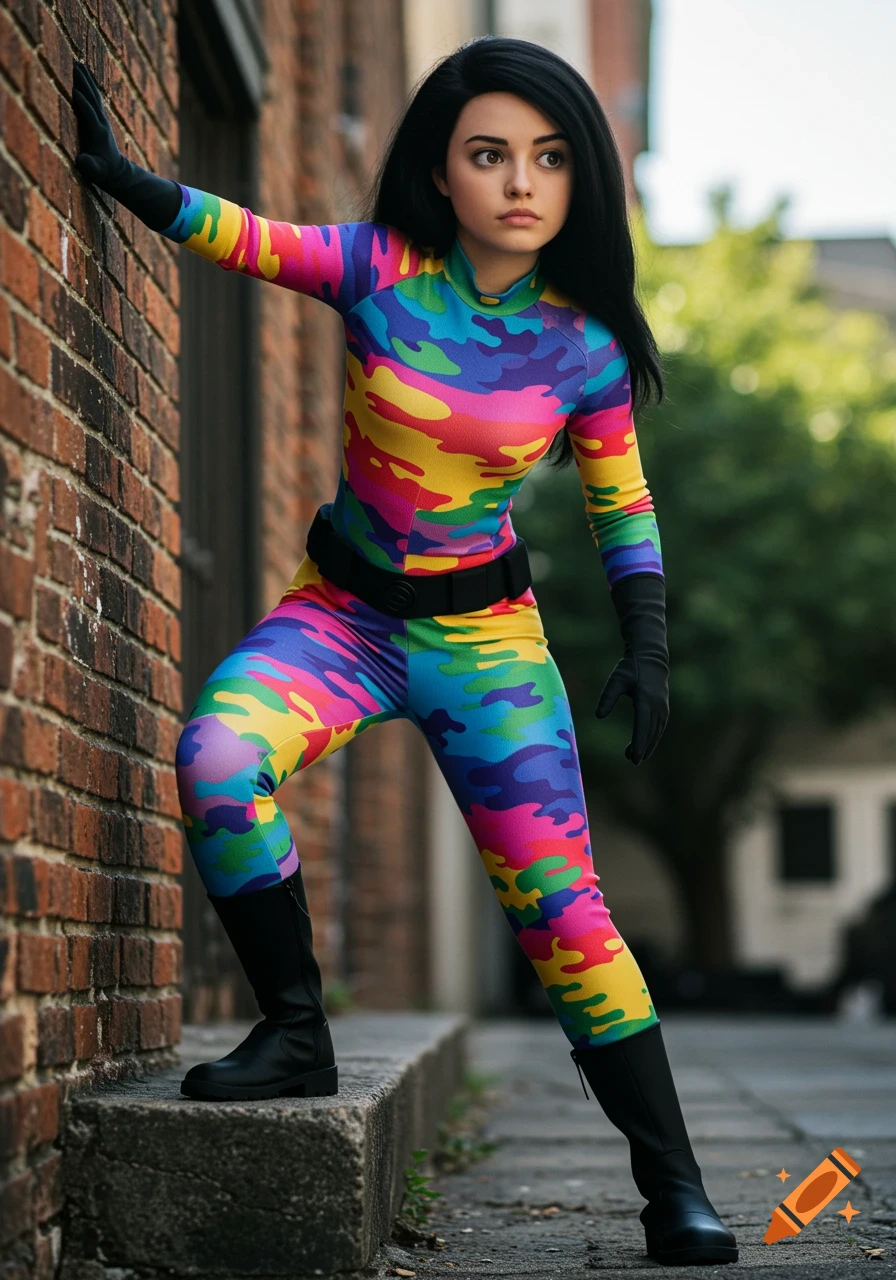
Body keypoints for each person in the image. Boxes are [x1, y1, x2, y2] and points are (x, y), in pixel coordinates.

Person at [71, 37, 737, 1267]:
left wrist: (647, 648)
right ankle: (293, 1033)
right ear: (442, 171)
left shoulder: (583, 346)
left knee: (564, 915)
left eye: (547, 159)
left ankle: (674, 1185)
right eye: (489, 155)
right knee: (216, 757)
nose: (520, 183)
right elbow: (251, 234)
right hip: (341, 619)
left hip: (485, 646)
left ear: (578, 180)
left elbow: (622, 507)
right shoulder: (378, 268)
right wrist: (127, 179)